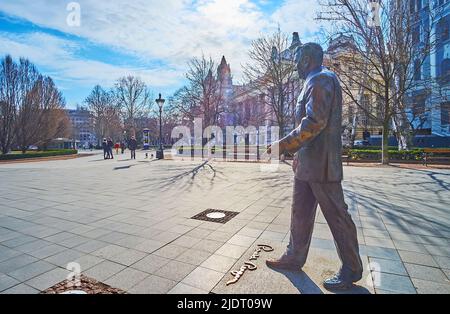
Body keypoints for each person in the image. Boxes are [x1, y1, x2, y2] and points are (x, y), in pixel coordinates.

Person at [265, 43, 363, 291]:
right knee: (300, 213)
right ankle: (294, 257)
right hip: (306, 164)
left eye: (298, 60)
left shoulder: (321, 79)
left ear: (307, 59)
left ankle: (351, 268)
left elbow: (314, 123)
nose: (295, 65)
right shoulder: (311, 81)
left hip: (322, 165)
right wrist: (295, 152)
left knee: (337, 216)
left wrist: (283, 145)